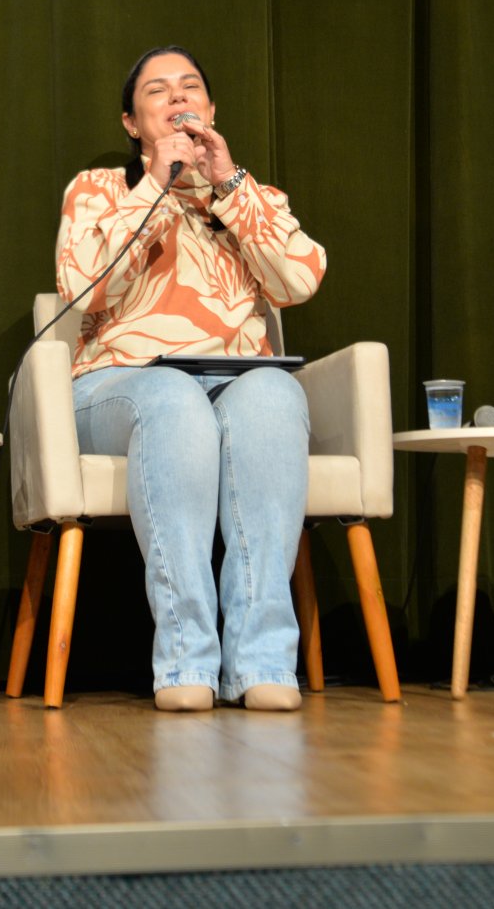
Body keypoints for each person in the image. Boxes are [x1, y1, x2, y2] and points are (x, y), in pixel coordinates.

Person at [54, 46, 326, 712]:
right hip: (120, 386)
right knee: (174, 398)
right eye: (157, 91)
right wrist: (156, 182)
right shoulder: (99, 189)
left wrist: (227, 183)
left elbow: (299, 280)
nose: (178, 98)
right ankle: (186, 658)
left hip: (234, 379)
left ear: (211, 110)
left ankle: (263, 660)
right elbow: (83, 287)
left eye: (190, 87)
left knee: (274, 392)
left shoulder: (249, 198)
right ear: (131, 122)